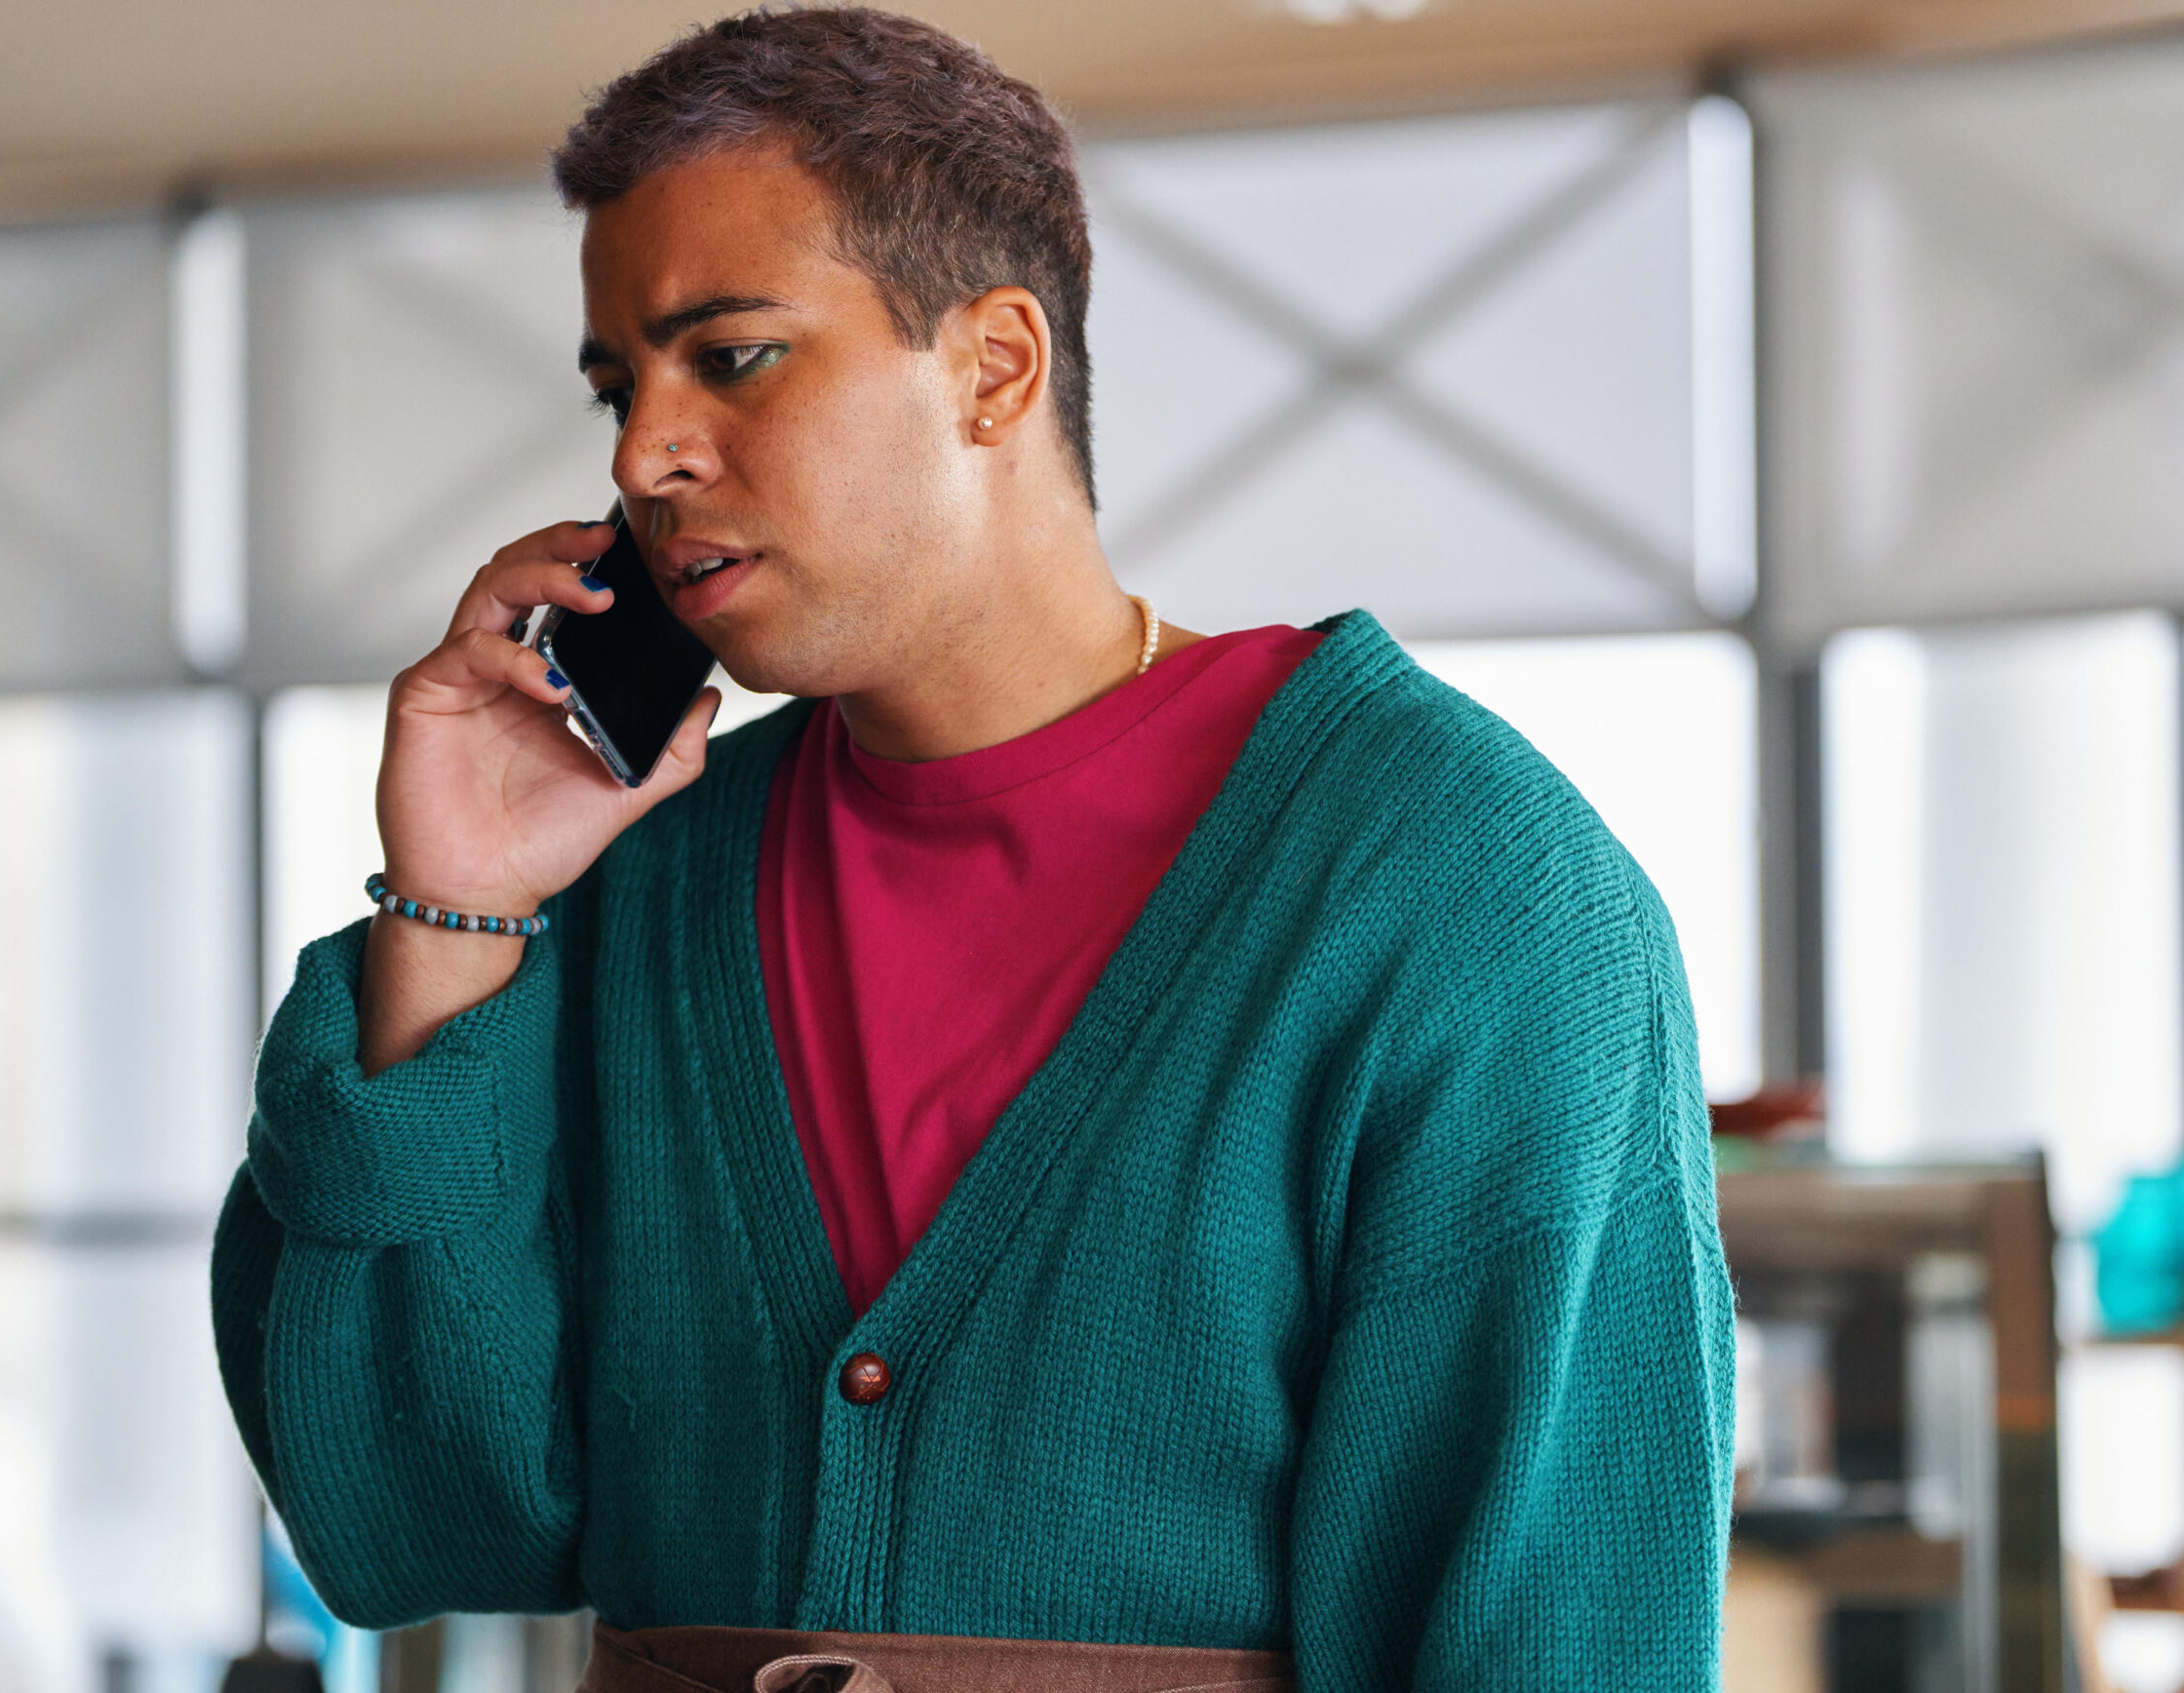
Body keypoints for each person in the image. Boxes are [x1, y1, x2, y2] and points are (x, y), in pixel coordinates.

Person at [210, 8, 1735, 1690]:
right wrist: (456, 913)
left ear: (996, 367)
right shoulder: (643, 881)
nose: (646, 455)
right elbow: (418, 1522)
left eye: (731, 357)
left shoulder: (1466, 895)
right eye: (617, 385)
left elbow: (1556, 1638)